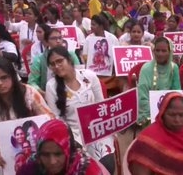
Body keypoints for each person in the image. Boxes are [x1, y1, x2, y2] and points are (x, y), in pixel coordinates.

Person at [45, 46, 115, 174]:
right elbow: (57, 119)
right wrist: (72, 141)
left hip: (97, 129)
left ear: (69, 60)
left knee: (107, 164)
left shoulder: (89, 77)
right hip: (73, 134)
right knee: (83, 167)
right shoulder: (51, 86)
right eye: (53, 64)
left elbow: (102, 105)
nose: (57, 66)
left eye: (60, 61)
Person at [127, 92, 183, 175]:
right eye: (172, 115)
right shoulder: (148, 139)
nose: (177, 120)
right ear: (162, 114)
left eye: (181, 115)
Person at [16, 119, 109, 175]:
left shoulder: (86, 169)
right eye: (45, 155)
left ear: (69, 150)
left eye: (58, 154)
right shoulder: (30, 169)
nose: (52, 162)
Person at [137, 37, 181, 125]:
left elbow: (177, 93)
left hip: (170, 111)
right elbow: (142, 97)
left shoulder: (174, 68)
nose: (160, 54)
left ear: (170, 52)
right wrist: (155, 114)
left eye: (164, 51)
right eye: (157, 50)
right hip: (149, 112)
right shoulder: (146, 68)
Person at [28, 28, 80, 95]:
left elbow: (79, 73)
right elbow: (32, 83)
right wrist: (44, 94)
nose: (58, 41)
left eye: (60, 38)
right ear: (46, 42)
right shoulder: (39, 59)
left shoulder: (71, 55)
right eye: (53, 38)